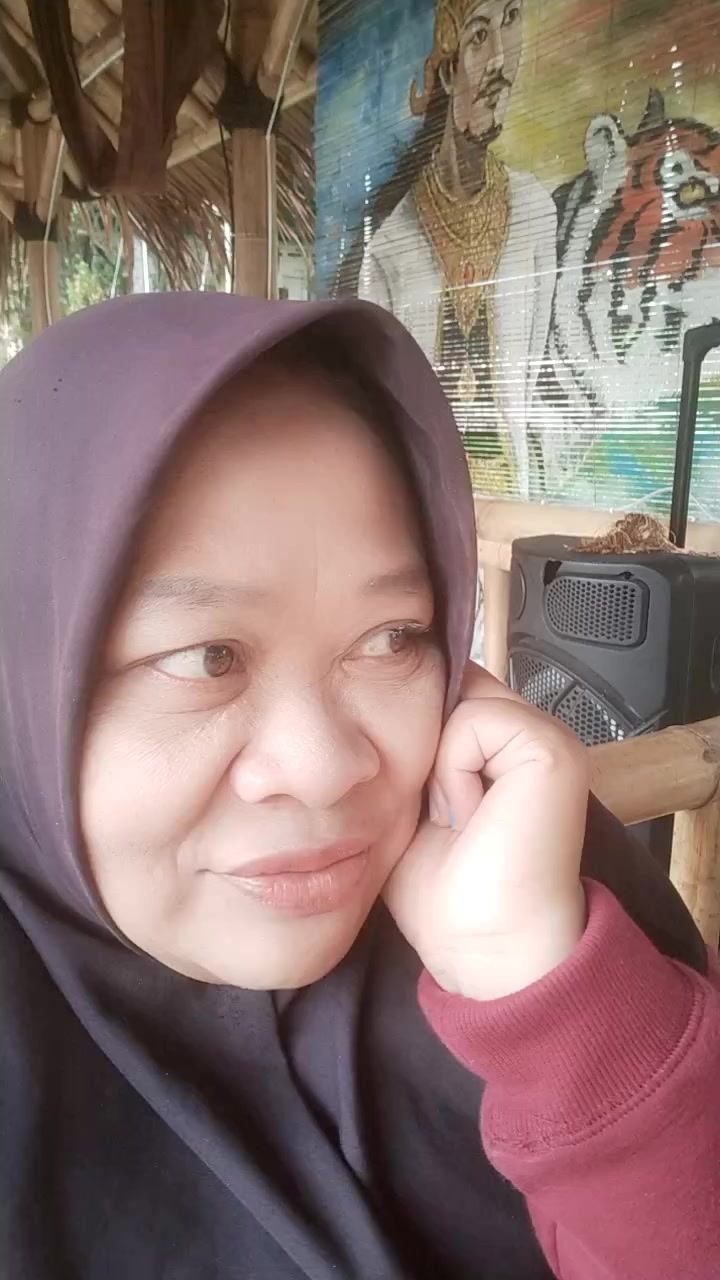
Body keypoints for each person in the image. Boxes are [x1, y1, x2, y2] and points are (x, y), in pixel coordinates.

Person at [0, 291, 717, 1280]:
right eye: (206, 657)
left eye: (391, 639)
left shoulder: (544, 894)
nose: (327, 765)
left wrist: (555, 1003)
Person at [358, 0, 557, 498]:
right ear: (448, 73)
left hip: (509, 501)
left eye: (512, 21)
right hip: (426, 503)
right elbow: (382, 408)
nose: (500, 60)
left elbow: (525, 379)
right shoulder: (389, 250)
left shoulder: (535, 213)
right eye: (479, 36)